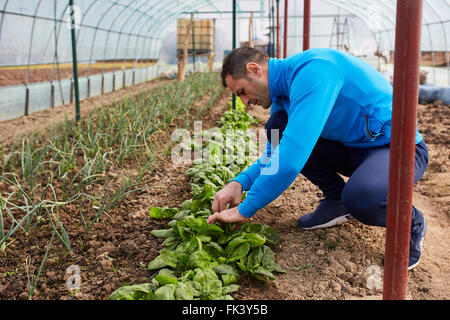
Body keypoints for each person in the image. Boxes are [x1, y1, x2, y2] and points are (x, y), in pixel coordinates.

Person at [207, 47, 428, 270]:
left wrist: (246, 209)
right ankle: (337, 200)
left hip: (399, 150)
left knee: (362, 199)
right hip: (355, 149)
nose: (245, 102)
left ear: (255, 70)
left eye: (242, 91)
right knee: (278, 126)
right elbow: (274, 153)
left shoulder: (315, 71)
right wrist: (239, 183)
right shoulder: (283, 97)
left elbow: (290, 160)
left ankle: (411, 222)